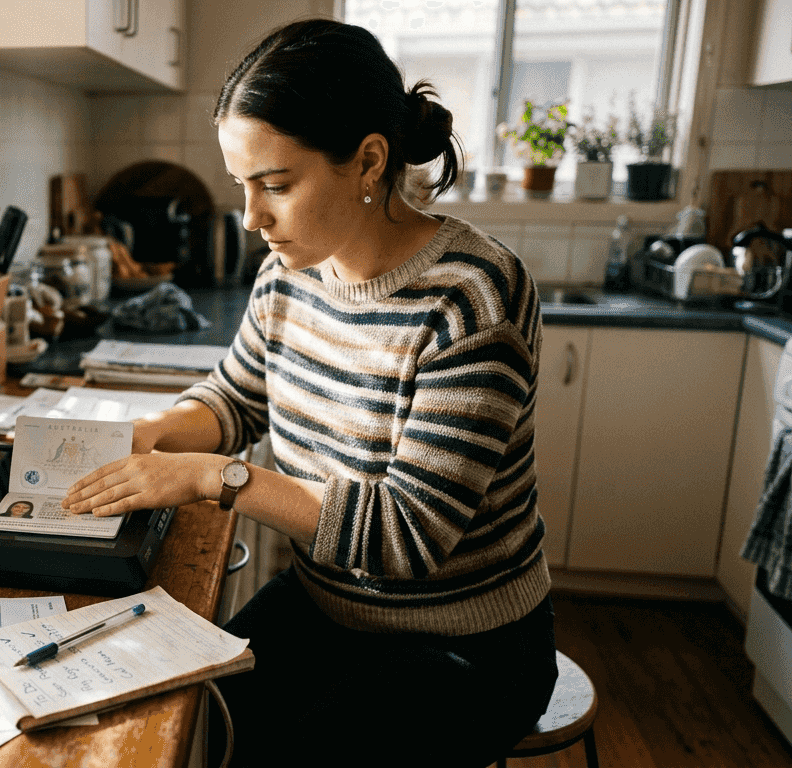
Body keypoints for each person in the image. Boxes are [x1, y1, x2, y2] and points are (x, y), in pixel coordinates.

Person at [63, 18, 557, 767]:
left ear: (368, 162)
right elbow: (237, 399)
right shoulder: (287, 272)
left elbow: (403, 537)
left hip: (468, 645)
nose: (252, 217)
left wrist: (211, 477)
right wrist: (155, 432)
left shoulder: (474, 298)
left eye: (276, 185)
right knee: (199, 715)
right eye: (243, 186)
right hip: (327, 606)